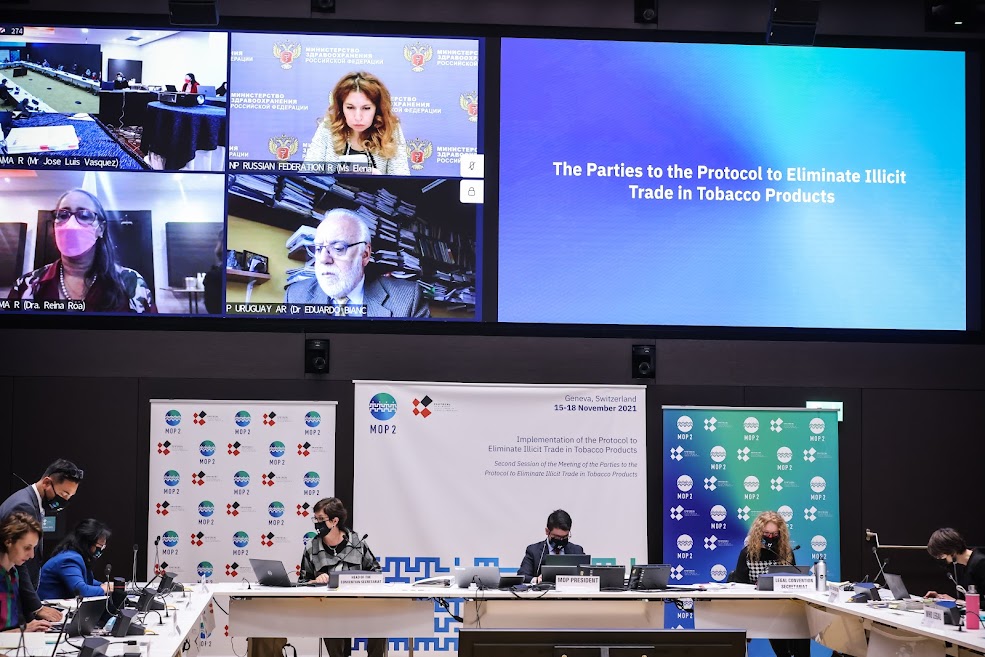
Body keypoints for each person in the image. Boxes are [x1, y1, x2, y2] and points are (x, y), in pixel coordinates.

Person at [8, 189, 155, 313]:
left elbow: (152, 339)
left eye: (84, 215)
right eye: (63, 215)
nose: (71, 225)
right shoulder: (26, 285)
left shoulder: (132, 283)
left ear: (101, 229)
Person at [284, 208, 429, 317]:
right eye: (318, 248)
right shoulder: (295, 296)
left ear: (365, 255)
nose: (323, 259)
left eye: (338, 248)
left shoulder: (408, 300)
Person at [300, 497, 386, 657]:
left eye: (321, 519)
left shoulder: (357, 544)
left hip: (361, 606)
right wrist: (315, 582)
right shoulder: (312, 548)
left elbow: (376, 573)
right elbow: (302, 582)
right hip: (329, 609)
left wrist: (360, 581)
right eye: (315, 519)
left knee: (381, 621)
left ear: (334, 521)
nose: (316, 524)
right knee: (331, 625)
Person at [0, 460, 82, 624]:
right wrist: (36, 607)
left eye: (70, 496)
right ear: (47, 482)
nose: (65, 500)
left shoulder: (31, 503)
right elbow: (19, 564)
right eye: (64, 494)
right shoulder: (24, 505)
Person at [730, 511, 809, 657]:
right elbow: (738, 585)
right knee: (776, 624)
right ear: (759, 532)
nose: (770, 537)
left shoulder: (785, 553)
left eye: (774, 534)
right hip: (756, 608)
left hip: (783, 606)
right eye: (766, 533)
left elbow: (794, 581)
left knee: (801, 622)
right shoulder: (747, 554)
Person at [303, 71, 410, 175]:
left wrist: (379, 179)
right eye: (350, 107)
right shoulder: (328, 127)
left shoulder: (390, 129)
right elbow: (307, 176)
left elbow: (402, 183)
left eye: (366, 108)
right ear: (341, 107)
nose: (358, 117)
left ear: (377, 109)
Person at [1, 513, 52, 633]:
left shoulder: (13, 573)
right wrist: (23, 629)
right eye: (26, 548)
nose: (32, 555)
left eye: (33, 548)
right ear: (8, 541)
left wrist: (28, 627)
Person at [38, 519, 112, 599]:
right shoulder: (69, 560)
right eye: (100, 546)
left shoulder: (74, 555)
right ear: (87, 542)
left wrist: (101, 585)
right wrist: (105, 588)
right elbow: (81, 591)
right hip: (51, 608)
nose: (101, 550)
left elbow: (84, 580)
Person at [518, 509, 585, 583]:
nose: (561, 540)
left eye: (565, 537)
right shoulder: (533, 551)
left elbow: (588, 575)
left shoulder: (577, 550)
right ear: (547, 531)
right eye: (557, 537)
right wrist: (536, 580)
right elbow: (522, 575)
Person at [925, 527, 985, 600]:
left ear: (951, 551)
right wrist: (952, 601)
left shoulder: (980, 563)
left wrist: (960, 603)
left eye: (942, 556)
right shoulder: (964, 566)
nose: (943, 560)